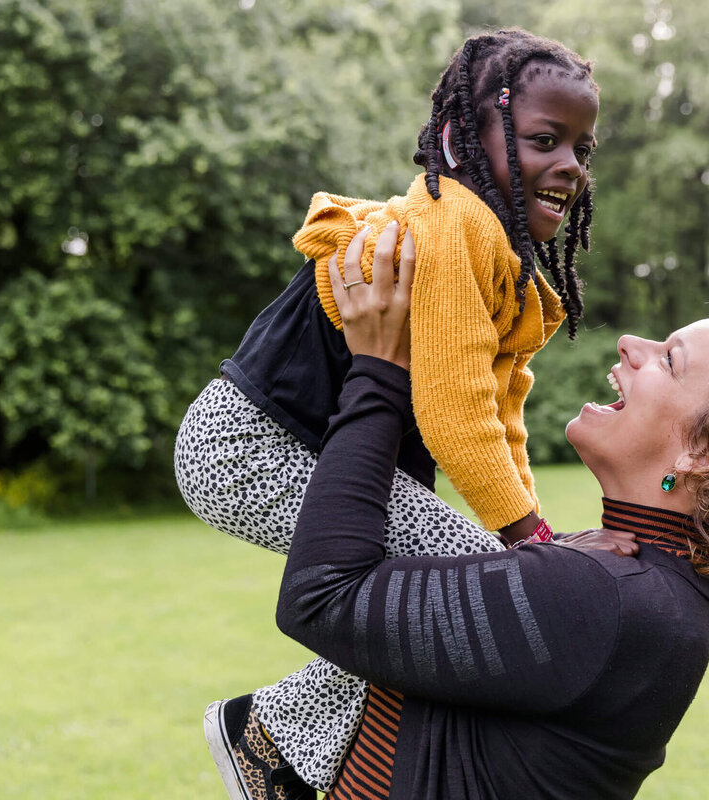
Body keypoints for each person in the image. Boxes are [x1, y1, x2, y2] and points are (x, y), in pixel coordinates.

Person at [265, 237, 709, 799]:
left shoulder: (605, 599)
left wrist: (378, 372)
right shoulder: (641, 583)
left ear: (702, 454)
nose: (630, 344)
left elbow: (321, 596)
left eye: (669, 360)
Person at [176, 29, 601, 795]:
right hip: (248, 444)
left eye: (582, 147)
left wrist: (535, 533)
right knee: (474, 580)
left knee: (443, 597)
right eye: (545, 139)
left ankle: (278, 738)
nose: (570, 164)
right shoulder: (454, 224)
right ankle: (268, 732)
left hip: (289, 453)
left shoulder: (501, 260)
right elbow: (454, 411)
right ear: (460, 138)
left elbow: (501, 412)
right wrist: (525, 541)